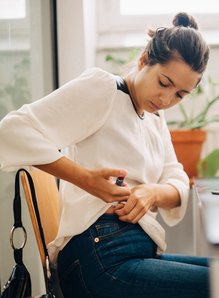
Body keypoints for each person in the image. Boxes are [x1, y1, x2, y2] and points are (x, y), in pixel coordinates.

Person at [0, 12, 211, 298]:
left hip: (133, 253)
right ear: (145, 59)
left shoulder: (155, 118)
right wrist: (85, 179)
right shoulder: (105, 90)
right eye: (164, 83)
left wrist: (151, 193)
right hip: (98, 258)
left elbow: (177, 182)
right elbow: (10, 131)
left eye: (180, 95)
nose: (166, 100)